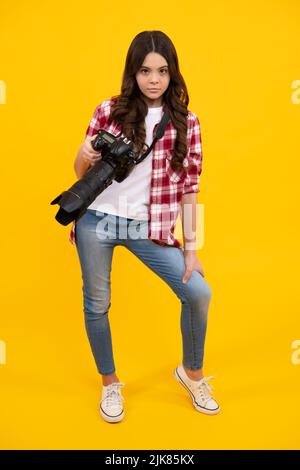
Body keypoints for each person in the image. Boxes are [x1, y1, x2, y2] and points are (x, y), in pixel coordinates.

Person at [71, 30, 220, 423]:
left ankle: (191, 374)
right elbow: (80, 173)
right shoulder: (109, 109)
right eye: (144, 71)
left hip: (146, 227)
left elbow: (191, 188)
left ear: (172, 74)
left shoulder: (187, 122)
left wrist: (191, 248)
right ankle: (110, 383)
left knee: (198, 292)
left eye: (162, 71)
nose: (153, 80)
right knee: (97, 304)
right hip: (97, 220)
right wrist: (83, 152)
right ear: (132, 73)